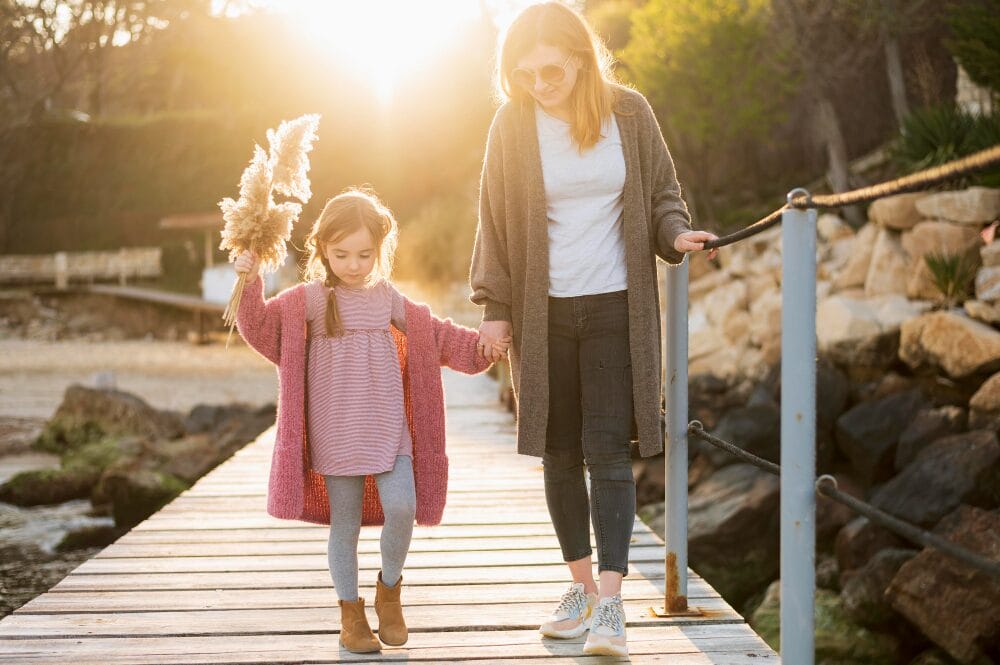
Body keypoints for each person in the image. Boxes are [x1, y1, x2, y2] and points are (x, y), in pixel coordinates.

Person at [469, 2, 719, 657]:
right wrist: (494, 306)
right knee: (557, 450)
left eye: (550, 69)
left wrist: (676, 233)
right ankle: (578, 587)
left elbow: (664, 194)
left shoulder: (629, 113)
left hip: (615, 307)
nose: (539, 83)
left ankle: (611, 604)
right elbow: (492, 220)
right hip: (541, 314)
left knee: (608, 450)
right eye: (524, 74)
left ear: (580, 56)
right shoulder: (511, 123)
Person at [235, 188, 510, 654]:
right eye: (341, 254)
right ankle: (350, 615)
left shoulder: (387, 298)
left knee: (402, 506)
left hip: (387, 428)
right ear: (322, 248)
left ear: (379, 250)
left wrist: (480, 346)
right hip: (334, 430)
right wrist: (249, 280)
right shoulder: (306, 300)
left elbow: (435, 335)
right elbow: (260, 328)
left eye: (365, 254)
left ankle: (390, 591)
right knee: (344, 525)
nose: (354, 264)